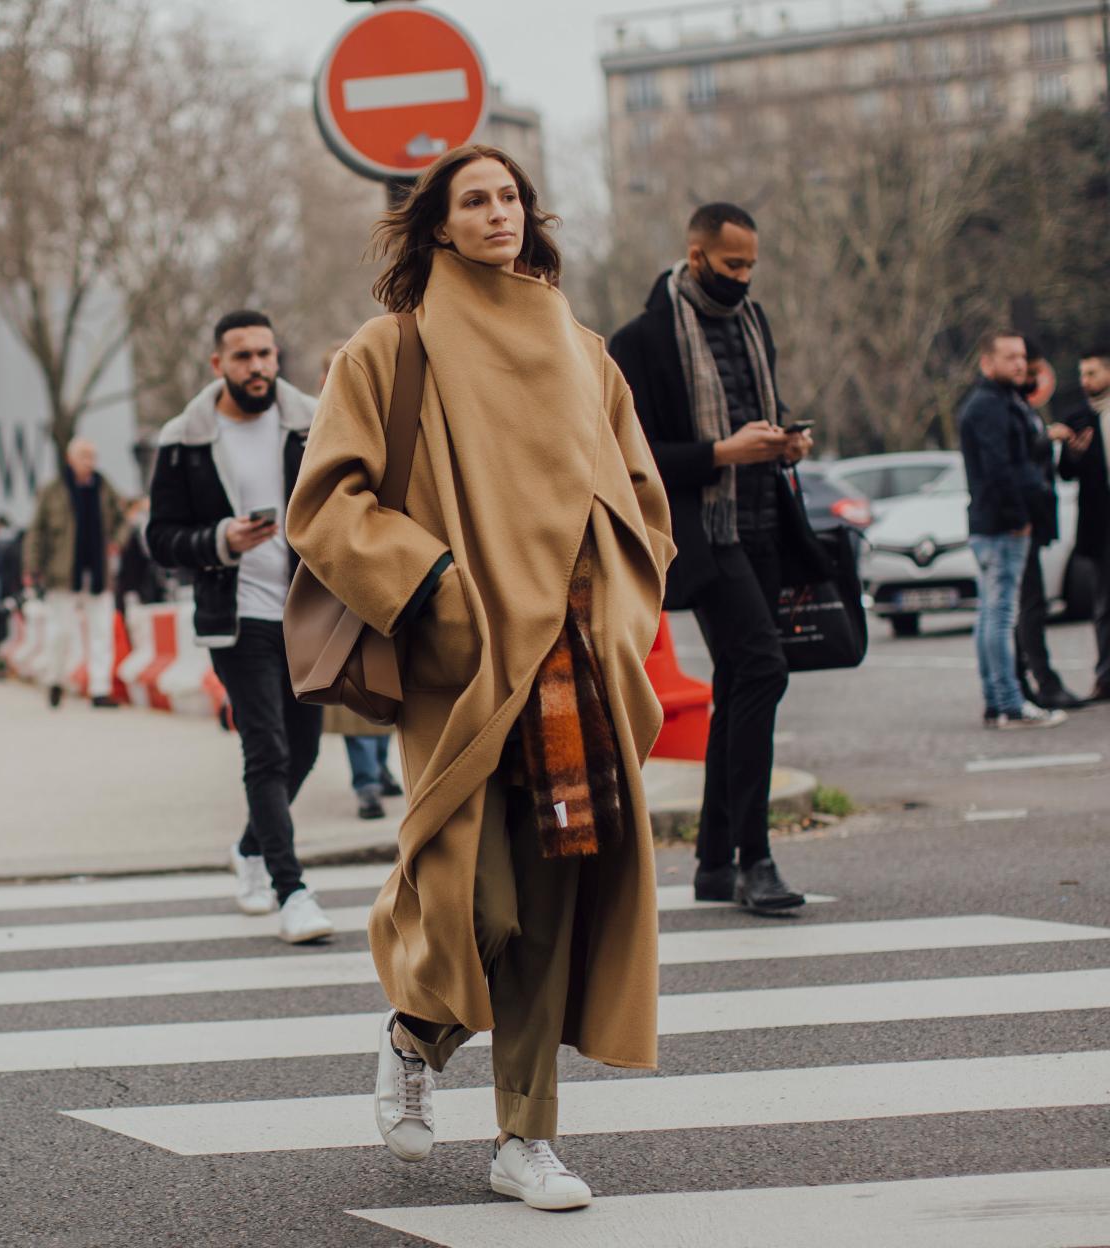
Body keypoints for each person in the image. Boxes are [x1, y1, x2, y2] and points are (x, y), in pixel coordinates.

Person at [287, 145, 674, 1211]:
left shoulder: (584, 349)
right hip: (461, 672)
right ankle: (415, 1032)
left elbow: (641, 499)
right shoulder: (386, 351)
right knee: (482, 908)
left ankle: (525, 1138)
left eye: (509, 196)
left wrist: (616, 612)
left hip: (572, 669)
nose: (498, 212)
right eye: (475, 200)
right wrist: (443, 594)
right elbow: (324, 507)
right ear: (439, 227)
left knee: (551, 909)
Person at [609, 202, 822, 915]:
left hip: (762, 521)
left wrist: (787, 441)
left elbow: (763, 401)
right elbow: (627, 455)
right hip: (702, 533)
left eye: (752, 266)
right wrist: (722, 453)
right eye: (733, 266)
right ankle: (755, 857)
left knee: (739, 680)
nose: (744, 279)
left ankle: (713, 861)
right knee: (763, 665)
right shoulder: (642, 339)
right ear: (696, 256)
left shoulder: (751, 324)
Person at [147, 310, 333, 944]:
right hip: (238, 616)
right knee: (268, 749)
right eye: (243, 356)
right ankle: (292, 890)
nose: (257, 366)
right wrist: (220, 540)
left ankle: (251, 849)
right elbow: (161, 539)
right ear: (218, 364)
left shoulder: (312, 421)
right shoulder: (187, 438)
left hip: (307, 611)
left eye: (265, 354)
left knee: (305, 748)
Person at [958, 330, 1066, 729]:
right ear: (988, 362)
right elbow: (1000, 469)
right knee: (1000, 615)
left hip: (997, 523)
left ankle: (998, 700)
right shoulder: (990, 406)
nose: (1020, 363)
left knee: (992, 612)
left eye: (1022, 356)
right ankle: (1008, 703)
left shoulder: (999, 401)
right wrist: (1019, 517)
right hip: (1003, 527)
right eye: (1010, 357)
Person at [316, 342, 404, 821]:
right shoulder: (316, 433)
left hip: (387, 575)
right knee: (356, 689)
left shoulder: (384, 419)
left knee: (388, 682)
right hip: (339, 584)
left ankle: (381, 771)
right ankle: (366, 782)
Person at [24, 439, 127, 709]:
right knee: (61, 631)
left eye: (93, 456)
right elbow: (37, 531)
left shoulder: (104, 487)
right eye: (84, 456)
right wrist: (32, 568)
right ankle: (56, 680)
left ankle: (100, 689)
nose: (90, 462)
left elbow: (123, 517)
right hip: (63, 572)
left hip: (98, 572)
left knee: (101, 631)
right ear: (70, 459)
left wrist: (117, 540)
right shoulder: (53, 490)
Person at [1014, 343, 1082, 710]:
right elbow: (1018, 457)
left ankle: (1027, 680)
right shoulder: (1010, 410)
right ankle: (1037, 681)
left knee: (1029, 606)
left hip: (1030, 522)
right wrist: (1047, 439)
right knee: (1028, 606)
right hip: (1019, 525)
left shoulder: (1023, 409)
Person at [1057, 345, 1110, 703]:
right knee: (1104, 603)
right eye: (1082, 374)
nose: (1085, 380)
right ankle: (1106, 676)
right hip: (1100, 522)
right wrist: (1073, 451)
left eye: (1092, 373)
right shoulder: (1077, 419)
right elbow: (1065, 472)